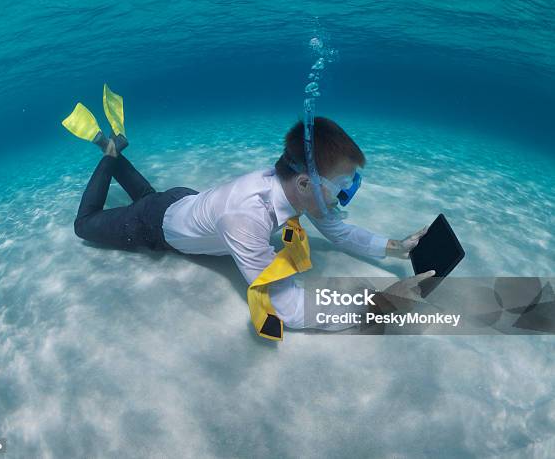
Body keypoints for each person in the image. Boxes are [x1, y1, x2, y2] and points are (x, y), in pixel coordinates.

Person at [63, 85, 433, 338]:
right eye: (343, 188)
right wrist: (382, 304)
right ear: (304, 183)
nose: (345, 197)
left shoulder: (296, 185)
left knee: (150, 195)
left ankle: (115, 149)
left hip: (183, 202)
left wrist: (394, 247)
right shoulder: (247, 219)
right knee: (87, 225)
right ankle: (110, 151)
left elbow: (338, 232)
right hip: (154, 226)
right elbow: (289, 311)